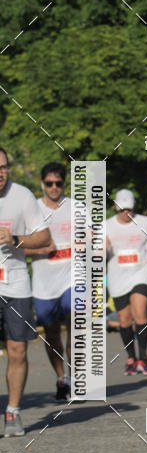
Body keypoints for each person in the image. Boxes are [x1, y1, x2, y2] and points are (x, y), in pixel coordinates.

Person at [0, 147, 50, 436]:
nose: (1, 172)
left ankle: (13, 412)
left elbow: (43, 236)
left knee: (17, 350)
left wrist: (16, 238)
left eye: (4, 167)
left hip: (16, 283)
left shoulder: (22, 196)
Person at [26, 163, 73, 400]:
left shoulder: (75, 207)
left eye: (58, 183)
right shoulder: (31, 209)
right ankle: (61, 378)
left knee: (76, 321)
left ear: (64, 183)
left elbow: (93, 237)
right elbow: (17, 247)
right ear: (42, 183)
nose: (54, 188)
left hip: (71, 279)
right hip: (44, 285)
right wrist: (42, 248)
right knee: (52, 335)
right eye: (49, 184)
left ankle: (76, 376)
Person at [106, 189, 147, 376]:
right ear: (115, 207)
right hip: (118, 277)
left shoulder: (144, 222)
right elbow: (99, 252)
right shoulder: (107, 226)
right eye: (121, 210)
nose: (126, 213)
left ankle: (143, 356)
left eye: (129, 209)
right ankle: (131, 357)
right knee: (125, 320)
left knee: (139, 313)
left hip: (140, 273)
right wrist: (102, 250)